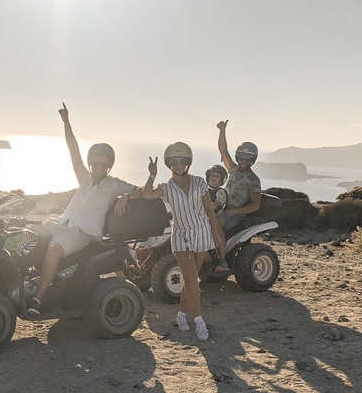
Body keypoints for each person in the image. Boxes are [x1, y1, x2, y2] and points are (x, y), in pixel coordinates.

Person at [25, 103, 142, 315]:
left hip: (83, 233)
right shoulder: (84, 177)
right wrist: (66, 122)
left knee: (54, 251)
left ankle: (37, 299)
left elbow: (141, 191)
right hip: (61, 223)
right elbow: (73, 148)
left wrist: (126, 196)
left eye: (103, 164)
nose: (99, 167)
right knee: (24, 234)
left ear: (109, 166)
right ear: (91, 164)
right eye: (96, 163)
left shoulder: (114, 184)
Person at [142, 142, 223, 340]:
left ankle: (180, 315)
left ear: (188, 162)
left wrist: (215, 233)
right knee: (191, 278)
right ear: (169, 163)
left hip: (202, 233)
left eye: (182, 161)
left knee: (191, 278)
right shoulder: (165, 187)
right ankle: (199, 321)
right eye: (174, 161)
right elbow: (146, 194)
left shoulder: (199, 183)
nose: (179, 165)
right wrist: (152, 174)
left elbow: (209, 210)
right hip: (180, 235)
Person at [215, 120, 262, 269]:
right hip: (223, 209)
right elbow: (223, 151)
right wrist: (222, 130)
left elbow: (256, 204)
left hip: (235, 216)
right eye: (241, 158)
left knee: (215, 222)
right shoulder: (233, 170)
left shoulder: (254, 180)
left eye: (247, 159)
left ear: (252, 160)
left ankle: (222, 261)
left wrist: (235, 210)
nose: (243, 161)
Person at [205, 164, 230, 271]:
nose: (214, 178)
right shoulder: (204, 190)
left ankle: (222, 259)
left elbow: (215, 205)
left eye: (217, 176)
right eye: (212, 175)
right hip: (205, 216)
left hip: (218, 216)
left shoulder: (221, 192)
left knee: (216, 224)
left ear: (222, 180)